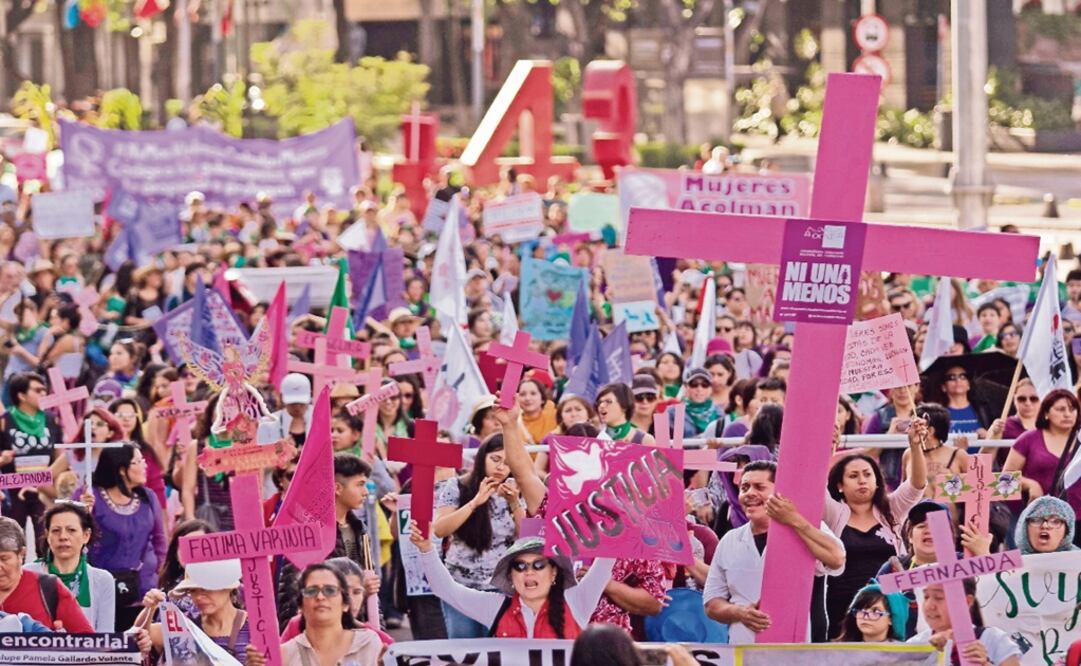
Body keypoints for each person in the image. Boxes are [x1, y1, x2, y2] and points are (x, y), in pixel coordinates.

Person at [703, 461, 846, 643]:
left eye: (759, 487)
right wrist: (739, 612)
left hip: (795, 645)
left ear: (779, 491)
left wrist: (794, 520)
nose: (750, 494)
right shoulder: (730, 540)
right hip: (743, 646)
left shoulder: (804, 527)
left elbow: (837, 558)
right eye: (744, 488)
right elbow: (711, 603)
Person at [413, 522, 615, 639]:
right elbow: (446, 590)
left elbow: (607, 558)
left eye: (538, 565)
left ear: (554, 573)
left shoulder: (576, 601)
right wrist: (426, 549)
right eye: (520, 566)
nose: (529, 572)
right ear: (511, 576)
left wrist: (619, 508)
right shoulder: (496, 606)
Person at [823, 417, 928, 637]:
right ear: (840, 486)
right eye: (853, 476)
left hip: (888, 608)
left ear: (877, 481)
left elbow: (917, 484)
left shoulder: (892, 509)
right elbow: (816, 487)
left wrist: (915, 446)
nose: (862, 481)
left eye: (867, 474)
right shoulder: (832, 512)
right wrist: (827, 449)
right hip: (841, 607)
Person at [432, 434, 523, 638]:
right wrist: (475, 502)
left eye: (507, 463)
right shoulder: (457, 486)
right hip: (460, 585)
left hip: (501, 587)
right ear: (482, 457)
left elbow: (527, 537)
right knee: (464, 651)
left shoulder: (516, 490)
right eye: (495, 459)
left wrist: (515, 503)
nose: (501, 467)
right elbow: (440, 529)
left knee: (497, 653)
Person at [277, 454, 378, 628]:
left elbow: (373, 595)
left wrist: (377, 632)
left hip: (358, 634)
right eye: (360, 484)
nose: (365, 492)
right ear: (337, 488)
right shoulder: (309, 533)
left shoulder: (359, 530)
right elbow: (293, 595)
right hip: (322, 635)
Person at [877, 500, 991, 639]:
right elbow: (871, 605)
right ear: (910, 536)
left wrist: (984, 554)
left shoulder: (965, 562)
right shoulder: (893, 568)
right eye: (921, 526)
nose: (929, 530)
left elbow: (992, 598)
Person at [89, 442, 167, 631]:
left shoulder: (148, 497)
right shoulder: (91, 497)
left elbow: (160, 540)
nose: (145, 465)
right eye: (138, 461)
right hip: (103, 588)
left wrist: (157, 570)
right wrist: (83, 509)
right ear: (122, 469)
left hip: (143, 588)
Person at [248, 563, 382, 666]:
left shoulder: (369, 644)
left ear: (345, 604)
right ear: (300, 605)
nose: (320, 596)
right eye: (311, 591)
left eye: (330, 590)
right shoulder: (284, 655)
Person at [25, 502, 116, 632]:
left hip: (87, 652)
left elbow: (105, 637)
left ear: (86, 535)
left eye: (71, 530)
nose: (63, 537)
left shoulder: (102, 580)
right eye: (56, 531)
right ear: (47, 535)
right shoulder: (27, 573)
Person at [145, 559, 252, 661]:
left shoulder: (255, 627)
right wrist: (149, 609)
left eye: (206, 588)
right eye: (193, 590)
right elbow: (141, 635)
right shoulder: (185, 625)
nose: (199, 597)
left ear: (228, 587)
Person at [0, 516, 94, 632]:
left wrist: (60, 642)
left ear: (22, 554)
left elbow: (88, 641)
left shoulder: (48, 588)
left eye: (4, 558)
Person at [907, 578, 1021, 665]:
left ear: (966, 601)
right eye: (926, 597)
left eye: (938, 597)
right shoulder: (913, 646)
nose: (930, 606)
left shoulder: (994, 639)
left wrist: (985, 664)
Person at [1004, 389, 1081, 516]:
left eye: (1072, 409)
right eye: (1060, 409)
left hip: (1077, 515)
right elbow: (1005, 478)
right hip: (1040, 516)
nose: (1067, 414)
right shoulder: (1028, 439)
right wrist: (1030, 484)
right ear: (1046, 412)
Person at [0, 372, 61, 526]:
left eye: (44, 390)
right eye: (37, 390)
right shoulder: (4, 421)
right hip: (13, 491)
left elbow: (59, 453)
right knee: (12, 538)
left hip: (44, 490)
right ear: (21, 395)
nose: (43, 393)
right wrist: (2, 459)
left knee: (45, 537)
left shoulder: (51, 419)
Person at [901, 403, 969, 496]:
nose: (907, 431)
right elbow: (903, 493)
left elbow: (977, 490)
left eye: (913, 426)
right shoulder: (908, 454)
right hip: (918, 510)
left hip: (949, 510)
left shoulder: (958, 455)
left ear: (930, 431)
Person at [833, 583, 909, 643]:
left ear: (891, 619)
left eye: (876, 612)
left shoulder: (901, 654)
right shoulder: (840, 651)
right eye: (860, 610)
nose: (865, 617)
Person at [257, 372, 312, 447]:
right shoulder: (266, 424)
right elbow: (261, 454)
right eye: (293, 403)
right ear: (282, 398)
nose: (297, 407)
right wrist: (278, 450)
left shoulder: (320, 422)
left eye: (301, 403)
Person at [1014, 496, 1078, 554]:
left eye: (1055, 521)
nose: (1045, 526)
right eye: (1036, 520)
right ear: (1024, 527)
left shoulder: (1077, 560)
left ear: (1067, 531)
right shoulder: (1009, 563)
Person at [672, 367, 719, 437]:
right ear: (685, 387)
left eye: (705, 385)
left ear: (711, 388)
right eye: (694, 384)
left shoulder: (719, 413)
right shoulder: (673, 412)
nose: (699, 389)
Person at [518, 378, 557, 444]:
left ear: (542, 399)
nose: (527, 398)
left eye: (533, 393)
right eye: (522, 394)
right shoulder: (513, 422)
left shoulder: (555, 416)